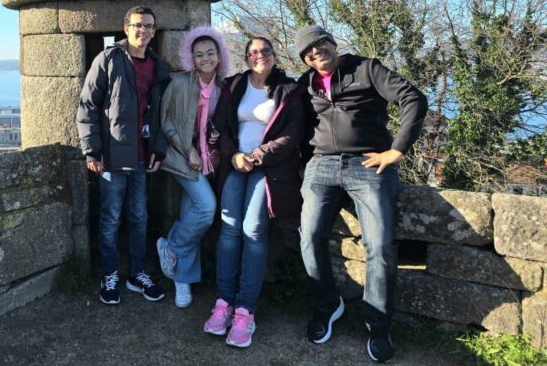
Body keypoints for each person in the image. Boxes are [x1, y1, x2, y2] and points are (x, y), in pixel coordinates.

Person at [294, 25, 427, 363]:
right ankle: (328, 305)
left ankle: (378, 324)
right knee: (309, 237)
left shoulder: (366, 68)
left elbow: (413, 98)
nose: (316, 52)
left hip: (368, 163)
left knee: (379, 244)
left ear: (332, 43)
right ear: (305, 59)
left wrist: (396, 150)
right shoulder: (304, 84)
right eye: (308, 51)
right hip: (321, 165)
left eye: (320, 44)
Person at [203, 37, 305, 348]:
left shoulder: (289, 89)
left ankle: (246, 308)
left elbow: (291, 135)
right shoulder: (235, 85)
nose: (259, 55)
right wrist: (234, 155)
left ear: (274, 56)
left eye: (265, 51)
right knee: (229, 230)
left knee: (253, 230)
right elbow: (221, 125)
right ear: (247, 58)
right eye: (253, 52)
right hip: (236, 163)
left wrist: (256, 156)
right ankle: (223, 303)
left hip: (268, 168)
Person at [77, 6, 170, 305]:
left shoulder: (157, 65)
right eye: (138, 25)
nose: (144, 31)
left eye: (149, 27)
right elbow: (88, 106)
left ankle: (137, 273)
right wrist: (91, 150)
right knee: (111, 218)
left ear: (155, 32)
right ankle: (110, 274)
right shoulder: (108, 59)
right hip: (113, 157)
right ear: (126, 27)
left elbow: (159, 114)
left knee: (140, 217)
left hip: (143, 156)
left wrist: (159, 148)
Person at [156, 26, 229, 309]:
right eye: (199, 55)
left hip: (209, 160)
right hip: (181, 159)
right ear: (192, 59)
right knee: (205, 208)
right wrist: (188, 149)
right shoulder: (181, 83)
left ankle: (181, 279)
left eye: (210, 53)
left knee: (189, 212)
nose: (205, 59)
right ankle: (171, 247)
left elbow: (220, 125)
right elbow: (167, 121)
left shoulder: (224, 88)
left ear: (219, 56)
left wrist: (212, 137)